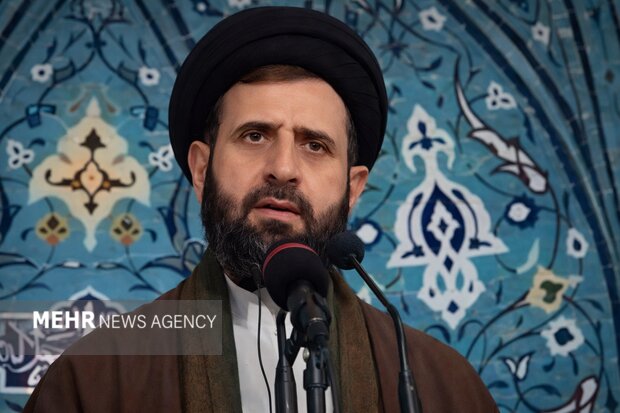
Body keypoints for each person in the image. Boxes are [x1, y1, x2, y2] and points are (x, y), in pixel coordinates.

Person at [24, 7, 498, 413]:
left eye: (314, 145)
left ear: (353, 188)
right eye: (255, 136)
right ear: (202, 169)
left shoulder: (443, 385)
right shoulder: (98, 377)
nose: (283, 169)